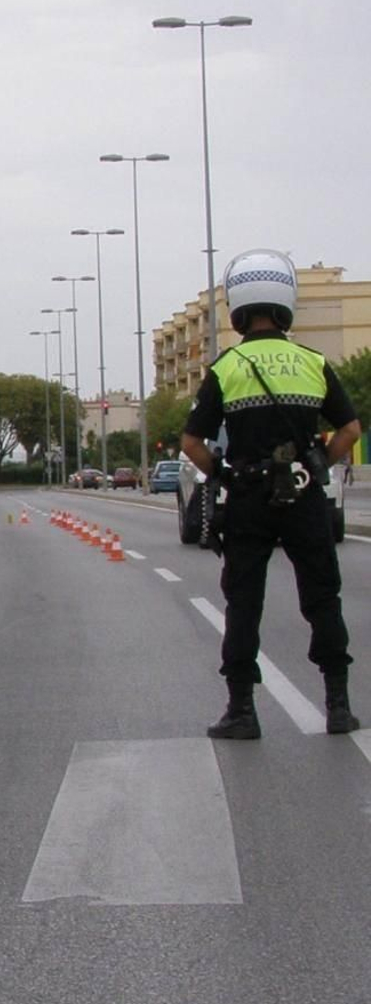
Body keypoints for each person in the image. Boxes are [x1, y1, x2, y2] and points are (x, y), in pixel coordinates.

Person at [181, 248, 362, 739]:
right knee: (323, 597)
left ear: (239, 308)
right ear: (286, 303)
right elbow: (349, 428)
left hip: (248, 500)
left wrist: (222, 472)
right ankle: (339, 707)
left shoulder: (227, 367)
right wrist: (320, 462)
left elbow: (192, 444)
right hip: (304, 498)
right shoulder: (312, 362)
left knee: (244, 603)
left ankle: (242, 712)